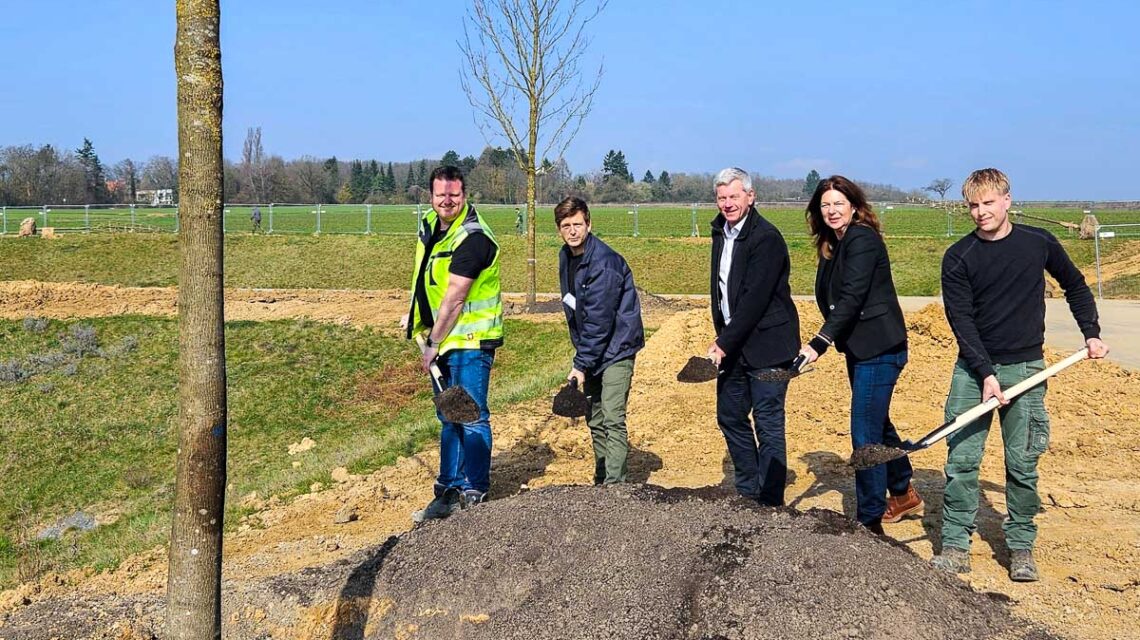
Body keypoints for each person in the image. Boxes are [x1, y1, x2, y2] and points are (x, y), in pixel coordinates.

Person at [931, 168, 1108, 581]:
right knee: (962, 459)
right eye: (973, 206)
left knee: (1023, 462)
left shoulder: (1038, 243)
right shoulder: (959, 256)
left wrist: (1092, 333)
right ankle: (956, 545)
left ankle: (1021, 547)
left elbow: (1076, 286)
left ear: (1007, 200)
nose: (980, 212)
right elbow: (961, 320)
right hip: (973, 371)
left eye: (988, 203)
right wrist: (986, 374)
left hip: (1027, 367)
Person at [798, 176, 921, 535]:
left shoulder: (862, 239)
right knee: (878, 422)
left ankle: (869, 519)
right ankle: (901, 490)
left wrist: (819, 341)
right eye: (825, 205)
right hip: (860, 347)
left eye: (838, 203)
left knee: (864, 432)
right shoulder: (832, 244)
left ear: (854, 206)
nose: (832, 211)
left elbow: (852, 296)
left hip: (880, 348)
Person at [405, 165, 504, 522]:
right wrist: (415, 316)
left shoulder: (473, 238)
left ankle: (474, 491)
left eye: (454, 195)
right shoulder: (432, 226)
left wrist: (432, 341)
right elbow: (426, 280)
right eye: (441, 194)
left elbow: (455, 298)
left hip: (469, 340)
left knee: (471, 415)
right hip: (444, 337)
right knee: (449, 416)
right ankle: (448, 489)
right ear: (430, 196)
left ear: (465, 196)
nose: (447, 201)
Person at [707, 167, 800, 506]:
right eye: (722, 198)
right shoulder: (722, 232)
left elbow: (755, 300)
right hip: (735, 344)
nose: (727, 204)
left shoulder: (766, 238)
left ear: (750, 196)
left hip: (769, 346)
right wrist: (725, 335)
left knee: (768, 421)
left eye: (734, 196)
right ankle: (748, 489)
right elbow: (723, 289)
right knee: (729, 414)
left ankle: (771, 500)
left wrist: (722, 343)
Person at [555, 196, 645, 485]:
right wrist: (583, 356)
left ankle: (615, 487)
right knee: (594, 416)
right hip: (593, 349)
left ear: (589, 224)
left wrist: (580, 364)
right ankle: (602, 477)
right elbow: (576, 307)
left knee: (611, 416)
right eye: (566, 225)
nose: (572, 231)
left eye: (577, 224)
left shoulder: (603, 264)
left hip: (617, 347)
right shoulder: (566, 257)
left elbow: (599, 321)